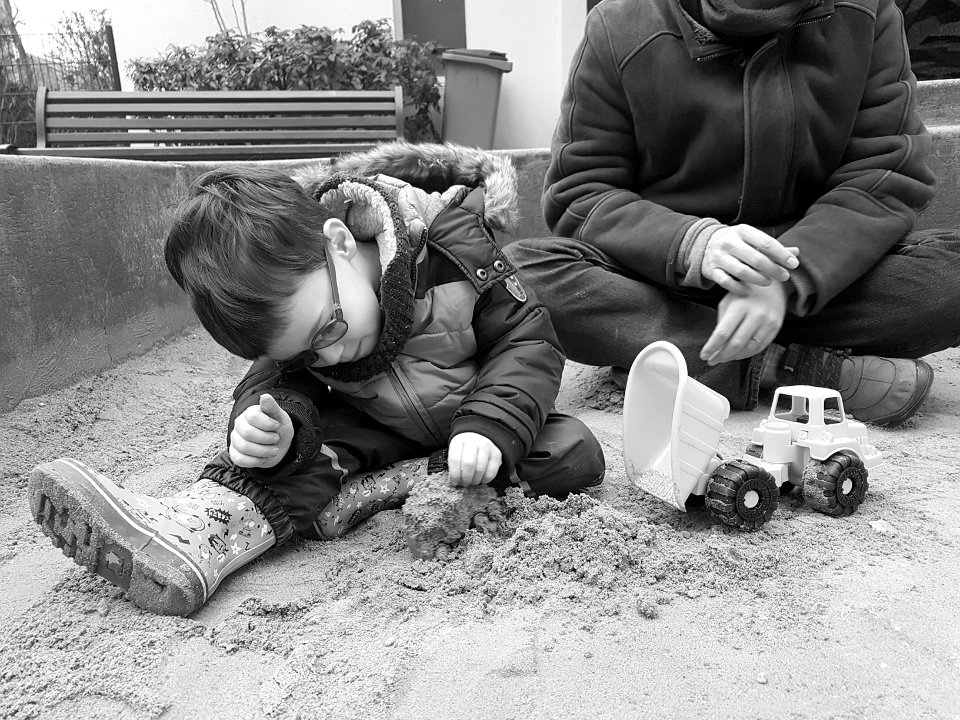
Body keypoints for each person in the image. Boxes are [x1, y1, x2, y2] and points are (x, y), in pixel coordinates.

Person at [28, 142, 605, 617]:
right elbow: (273, 380)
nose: (328, 354)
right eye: (308, 353)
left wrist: (489, 426)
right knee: (292, 458)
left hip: (476, 418)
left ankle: (406, 482)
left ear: (340, 242)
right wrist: (267, 426)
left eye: (329, 326)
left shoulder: (452, 248)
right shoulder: (309, 324)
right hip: (380, 431)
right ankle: (196, 531)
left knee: (573, 451)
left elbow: (527, 339)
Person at [503, 0, 960, 426]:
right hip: (663, 283)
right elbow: (579, 192)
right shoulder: (618, 23)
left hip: (815, 279)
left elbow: (887, 173)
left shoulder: (868, 12)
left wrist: (784, 280)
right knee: (519, 277)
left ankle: (669, 355)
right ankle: (790, 368)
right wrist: (692, 244)